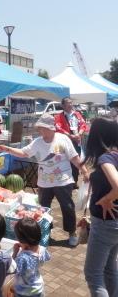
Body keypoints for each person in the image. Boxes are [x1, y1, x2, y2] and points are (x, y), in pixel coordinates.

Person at [0, 113, 89, 247]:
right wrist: (7, 149)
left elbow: (74, 157)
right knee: (44, 209)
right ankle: (46, 232)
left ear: (51, 128)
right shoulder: (38, 142)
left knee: (67, 207)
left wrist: (84, 171)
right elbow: (24, 152)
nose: (40, 130)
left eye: (42, 128)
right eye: (39, 128)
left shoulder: (63, 139)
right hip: (44, 183)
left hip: (63, 181)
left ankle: (72, 232)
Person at [82, 118, 118, 296]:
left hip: (106, 224)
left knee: (93, 274)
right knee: (110, 269)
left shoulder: (106, 157)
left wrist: (107, 199)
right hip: (114, 225)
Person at [12, 218, 51, 297]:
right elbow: (47, 257)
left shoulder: (23, 258)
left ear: (23, 241)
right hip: (38, 287)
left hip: (24, 292)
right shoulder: (42, 249)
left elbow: (12, 270)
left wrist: (15, 253)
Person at [54, 97, 87, 185]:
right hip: (66, 141)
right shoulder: (59, 116)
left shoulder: (77, 114)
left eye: (71, 103)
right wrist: (70, 135)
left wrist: (79, 134)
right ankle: (67, 180)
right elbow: (58, 127)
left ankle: (74, 181)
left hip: (77, 140)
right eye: (68, 103)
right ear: (63, 105)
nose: (70, 105)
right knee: (66, 160)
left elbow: (83, 124)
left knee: (76, 159)